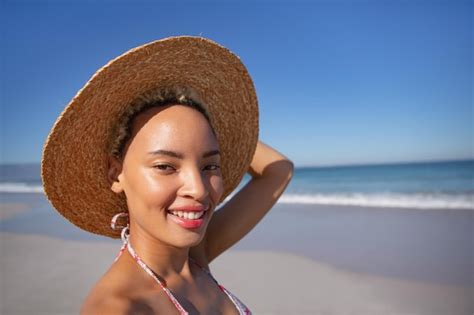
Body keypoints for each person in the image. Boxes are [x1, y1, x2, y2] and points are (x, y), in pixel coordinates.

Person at [41, 36, 293, 315]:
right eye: (165, 166)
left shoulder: (194, 256)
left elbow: (279, 170)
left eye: (210, 166)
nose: (198, 189)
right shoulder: (120, 308)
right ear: (116, 174)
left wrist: (212, 124)